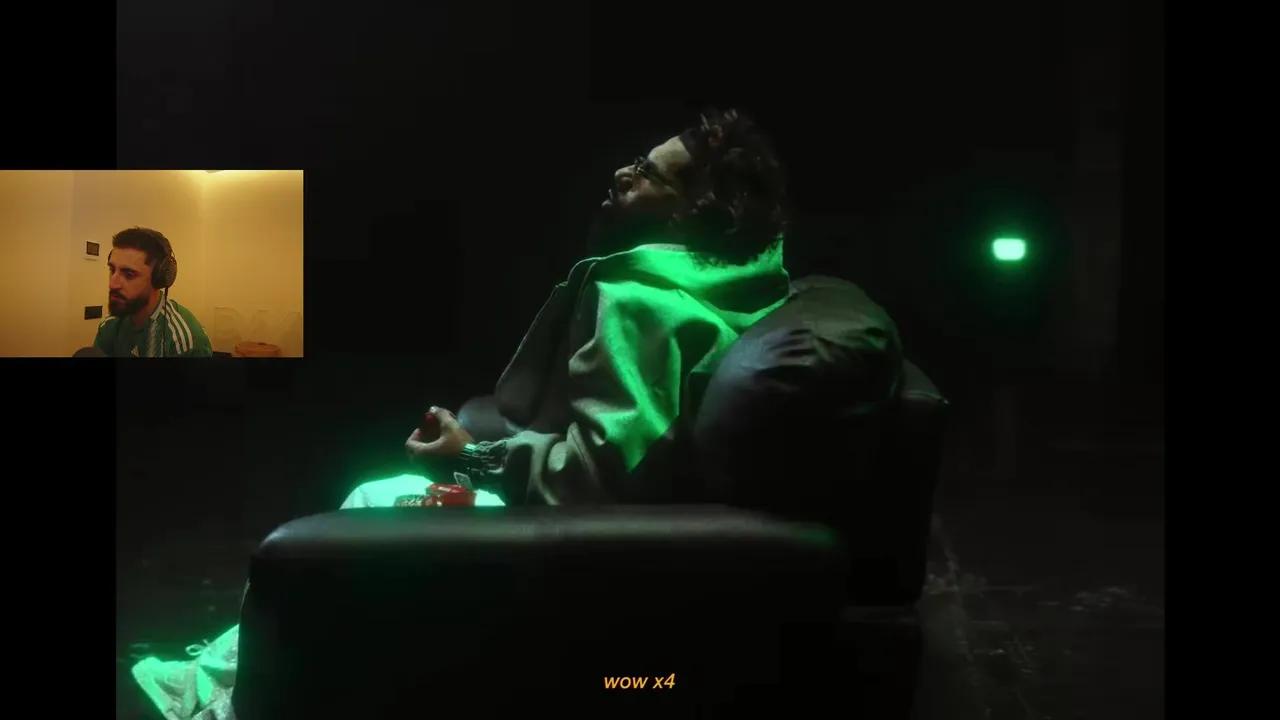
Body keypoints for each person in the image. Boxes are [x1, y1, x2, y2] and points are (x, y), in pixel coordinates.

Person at [130, 108, 792, 719]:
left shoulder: (642, 304)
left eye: (648, 173)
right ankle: (221, 672)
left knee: (372, 503)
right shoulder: (730, 288)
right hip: (611, 543)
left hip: (584, 554)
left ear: (690, 213)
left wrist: (471, 457)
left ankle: (229, 700)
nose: (623, 173)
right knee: (384, 494)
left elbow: (600, 476)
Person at [92, 226, 212, 358]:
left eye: (129, 274)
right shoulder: (111, 324)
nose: (112, 284)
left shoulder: (183, 340)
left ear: (158, 279)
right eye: (112, 270)